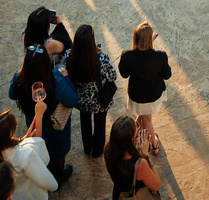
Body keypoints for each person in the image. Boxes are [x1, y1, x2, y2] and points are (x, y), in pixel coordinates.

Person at [8, 46, 77, 186]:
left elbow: (11, 94)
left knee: (38, 149)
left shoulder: (20, 77)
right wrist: (66, 78)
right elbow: (72, 100)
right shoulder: (56, 80)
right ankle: (58, 177)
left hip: (32, 124)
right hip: (55, 129)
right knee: (57, 154)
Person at [0, 109, 56, 200]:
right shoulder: (25, 155)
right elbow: (52, 184)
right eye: (14, 126)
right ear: (10, 134)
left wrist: (23, 140)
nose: (16, 125)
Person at [64, 24, 118, 158]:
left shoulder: (68, 57)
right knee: (100, 124)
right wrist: (100, 53)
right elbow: (113, 76)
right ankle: (97, 151)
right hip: (99, 100)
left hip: (81, 99)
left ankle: (87, 147)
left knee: (85, 122)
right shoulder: (101, 59)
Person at [118, 21, 171, 157]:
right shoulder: (160, 57)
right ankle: (154, 144)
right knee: (148, 120)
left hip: (137, 95)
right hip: (153, 95)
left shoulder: (127, 56)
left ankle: (140, 130)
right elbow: (167, 75)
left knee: (144, 117)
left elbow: (124, 74)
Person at [103, 116, 162, 200]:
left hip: (119, 194)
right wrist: (145, 155)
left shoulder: (107, 149)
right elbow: (157, 185)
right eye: (136, 135)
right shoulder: (140, 164)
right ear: (131, 141)